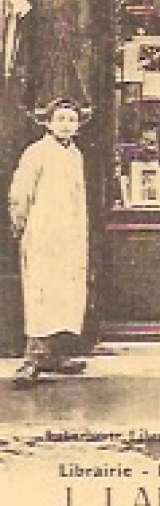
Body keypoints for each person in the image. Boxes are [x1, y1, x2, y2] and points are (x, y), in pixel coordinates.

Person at [8, 96, 90, 387]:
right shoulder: (37, 153)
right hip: (43, 234)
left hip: (69, 237)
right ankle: (32, 358)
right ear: (49, 122)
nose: (66, 125)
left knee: (65, 294)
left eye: (71, 120)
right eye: (61, 120)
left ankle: (56, 353)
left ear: (79, 125)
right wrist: (20, 225)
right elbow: (20, 193)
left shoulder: (75, 155)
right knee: (41, 293)